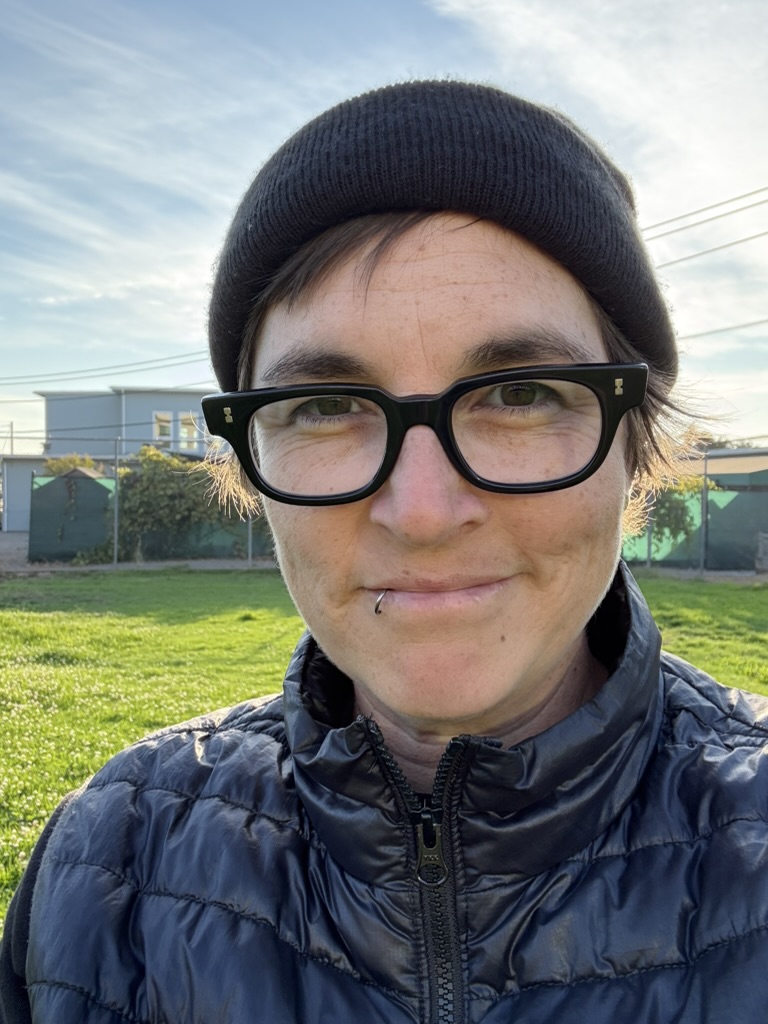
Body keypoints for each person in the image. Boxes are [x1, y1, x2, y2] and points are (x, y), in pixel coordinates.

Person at [2, 80, 767, 1024]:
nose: (423, 512)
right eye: (325, 406)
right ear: (251, 467)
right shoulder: (107, 866)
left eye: (521, 394)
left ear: (634, 448)